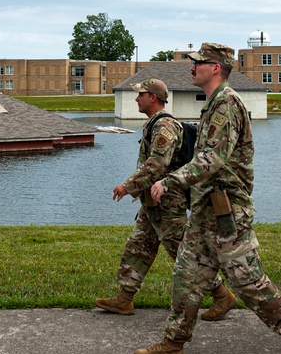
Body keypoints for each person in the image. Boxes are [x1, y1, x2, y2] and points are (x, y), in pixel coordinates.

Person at [134, 43, 281, 354]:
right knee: (185, 278)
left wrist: (170, 181)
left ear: (216, 67)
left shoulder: (226, 104)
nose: (192, 68)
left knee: (250, 284)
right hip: (207, 212)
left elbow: (212, 159)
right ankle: (172, 346)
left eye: (198, 63)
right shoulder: (213, 105)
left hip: (227, 215)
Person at [96, 78, 237, 321]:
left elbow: (157, 164)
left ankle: (222, 294)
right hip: (151, 201)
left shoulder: (165, 127)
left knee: (184, 253)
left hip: (168, 204)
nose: (136, 98)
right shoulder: (153, 124)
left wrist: (128, 186)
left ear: (153, 97)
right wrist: (139, 190)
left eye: (140, 94)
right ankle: (125, 298)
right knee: (138, 246)